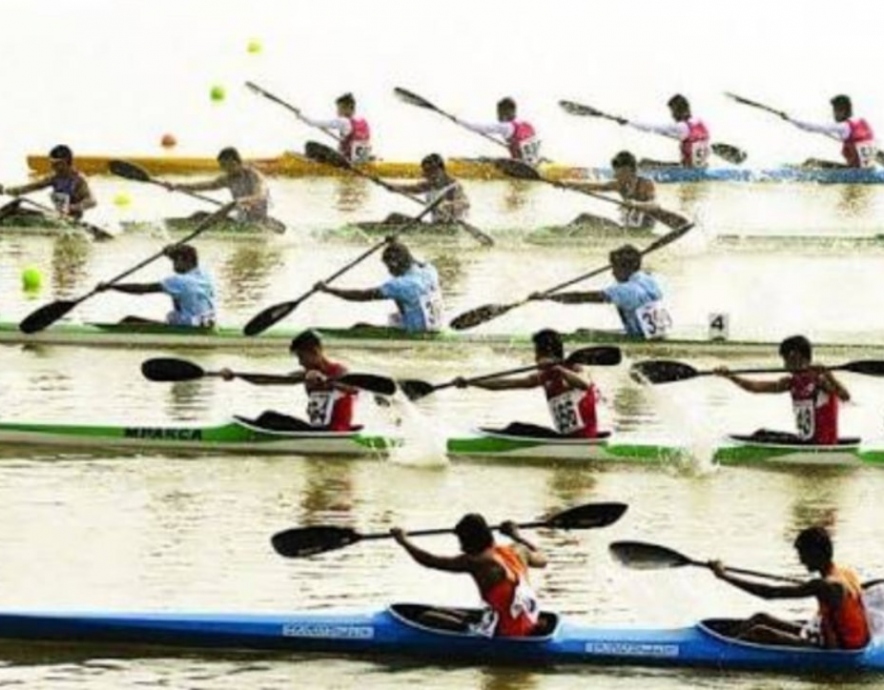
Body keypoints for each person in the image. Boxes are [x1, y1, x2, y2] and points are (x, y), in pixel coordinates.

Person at [708, 526, 870, 650]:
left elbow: (768, 593)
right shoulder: (846, 572)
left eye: (802, 554)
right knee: (760, 618)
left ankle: (722, 653)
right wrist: (809, 587)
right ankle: (725, 642)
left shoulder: (825, 585)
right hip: (824, 632)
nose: (801, 560)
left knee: (760, 631)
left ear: (816, 553)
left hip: (838, 647)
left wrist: (724, 576)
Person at [391, 512, 548, 637]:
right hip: (527, 622)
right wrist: (515, 535)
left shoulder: (477, 562)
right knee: (435, 611)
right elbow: (543, 558)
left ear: (469, 542)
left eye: (462, 542)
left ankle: (477, 635)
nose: (460, 547)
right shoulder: (518, 550)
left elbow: (430, 561)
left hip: (508, 633)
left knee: (427, 618)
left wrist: (404, 541)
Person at [455, 329, 601, 439]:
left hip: (584, 439)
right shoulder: (545, 376)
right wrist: (471, 382)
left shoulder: (576, 369)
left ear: (545, 354)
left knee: (517, 428)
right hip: (567, 439)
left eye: (536, 353)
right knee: (516, 427)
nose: (535, 358)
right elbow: (504, 384)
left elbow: (585, 384)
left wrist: (559, 369)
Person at [713, 335, 850, 445]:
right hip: (805, 441)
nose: (785, 365)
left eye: (786, 360)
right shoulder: (790, 383)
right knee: (761, 434)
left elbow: (845, 396)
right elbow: (755, 387)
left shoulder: (820, 380)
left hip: (822, 444)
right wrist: (730, 376)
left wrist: (828, 374)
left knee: (763, 438)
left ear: (796, 356)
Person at [530, 244, 671, 340]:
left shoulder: (625, 290)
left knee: (582, 334)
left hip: (641, 340)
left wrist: (547, 297)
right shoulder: (648, 279)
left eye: (614, 268)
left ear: (625, 268)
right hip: (659, 334)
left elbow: (581, 298)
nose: (612, 273)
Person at [228, 330, 358, 432]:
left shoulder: (339, 371)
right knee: (268, 416)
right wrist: (236, 375)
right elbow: (267, 380)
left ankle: (247, 433)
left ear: (315, 352)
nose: (300, 362)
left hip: (336, 431)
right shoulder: (305, 375)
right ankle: (241, 425)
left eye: (301, 357)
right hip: (316, 430)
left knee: (268, 420)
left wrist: (325, 381)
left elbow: (354, 389)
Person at [315, 241, 443, 333]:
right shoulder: (429, 269)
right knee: (399, 311)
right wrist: (395, 243)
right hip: (435, 327)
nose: (389, 271)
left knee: (359, 328)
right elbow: (411, 258)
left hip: (416, 334)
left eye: (388, 266)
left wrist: (328, 290)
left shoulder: (400, 285)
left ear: (394, 263)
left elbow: (361, 296)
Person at [96, 244, 216, 328]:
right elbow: (185, 254)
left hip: (188, 328)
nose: (173, 265)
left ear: (182, 259)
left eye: (174, 261)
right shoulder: (204, 275)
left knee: (129, 321)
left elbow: (142, 289)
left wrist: (111, 286)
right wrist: (171, 252)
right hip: (205, 324)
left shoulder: (179, 281)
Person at [166, 147, 271, 223]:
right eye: (222, 166)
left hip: (257, 221)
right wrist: (178, 186)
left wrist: (238, 202)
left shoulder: (254, 176)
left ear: (236, 163)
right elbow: (205, 185)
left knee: (211, 216)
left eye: (226, 166)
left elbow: (260, 196)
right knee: (198, 215)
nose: (224, 170)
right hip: (241, 218)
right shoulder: (229, 178)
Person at [0, 145, 96, 220]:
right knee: (15, 207)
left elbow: (92, 201)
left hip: (73, 219)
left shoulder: (78, 180)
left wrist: (72, 207)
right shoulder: (54, 177)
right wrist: (5, 191)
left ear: (67, 162)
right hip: (58, 216)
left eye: (57, 164)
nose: (53, 167)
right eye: (52, 163)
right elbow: (31, 187)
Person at [567, 151, 658, 230]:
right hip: (626, 229)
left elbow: (654, 205)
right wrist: (566, 184)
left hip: (641, 231)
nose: (615, 175)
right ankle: (561, 234)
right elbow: (594, 186)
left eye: (617, 171)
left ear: (628, 170)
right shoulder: (620, 185)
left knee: (586, 221)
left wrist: (635, 204)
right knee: (584, 218)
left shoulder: (646, 184)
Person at [785, 95, 877, 169]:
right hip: (869, 170)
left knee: (811, 162)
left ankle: (789, 172)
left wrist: (790, 119)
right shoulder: (862, 122)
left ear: (843, 111)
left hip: (855, 173)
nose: (833, 114)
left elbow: (811, 127)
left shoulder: (842, 126)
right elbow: (860, 142)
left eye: (835, 111)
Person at [620, 95, 711, 168]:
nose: (672, 116)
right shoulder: (700, 123)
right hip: (702, 168)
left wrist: (628, 123)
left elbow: (652, 128)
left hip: (687, 171)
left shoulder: (681, 127)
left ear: (680, 111)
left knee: (645, 163)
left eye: (673, 112)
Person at [381, 154, 470, 225]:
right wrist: (392, 187)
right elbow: (410, 188)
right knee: (393, 217)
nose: (427, 175)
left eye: (430, 171)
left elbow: (465, 204)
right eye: (426, 171)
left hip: (449, 226)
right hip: (434, 226)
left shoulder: (453, 186)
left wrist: (448, 205)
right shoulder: (430, 184)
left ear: (440, 170)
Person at [460, 97, 542, 166]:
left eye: (499, 112)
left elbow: (479, 128)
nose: (498, 116)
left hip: (520, 166)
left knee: (484, 159)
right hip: (535, 163)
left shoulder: (506, 126)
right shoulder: (527, 124)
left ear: (508, 112)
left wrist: (457, 120)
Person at [297, 92, 372, 163]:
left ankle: (314, 162)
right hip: (362, 159)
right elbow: (356, 139)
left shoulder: (343, 121)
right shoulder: (363, 121)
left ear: (346, 108)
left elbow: (312, 122)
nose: (337, 112)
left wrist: (300, 116)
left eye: (339, 109)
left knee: (309, 145)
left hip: (347, 162)